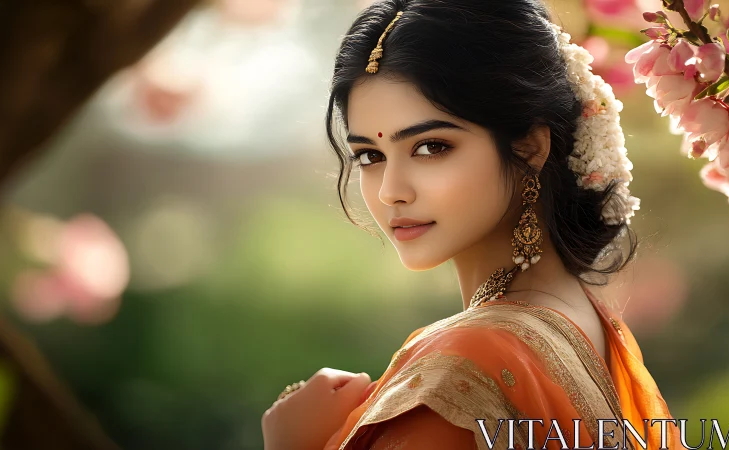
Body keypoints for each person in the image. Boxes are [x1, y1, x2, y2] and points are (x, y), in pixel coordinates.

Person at [262, 0, 686, 449]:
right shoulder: (586, 321)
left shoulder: (460, 371)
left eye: (430, 147)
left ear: (528, 147)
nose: (390, 190)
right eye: (370, 155)